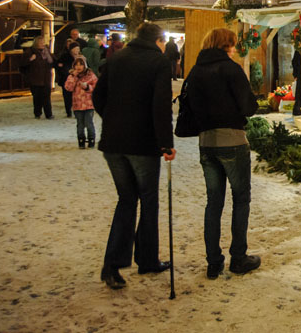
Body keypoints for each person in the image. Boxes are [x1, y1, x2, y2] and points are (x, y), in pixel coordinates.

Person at [93, 22, 175, 290]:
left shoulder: (117, 58)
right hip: (142, 143)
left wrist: (113, 119)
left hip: (113, 142)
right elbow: (161, 105)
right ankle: (147, 258)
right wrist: (166, 143)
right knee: (148, 201)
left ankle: (112, 265)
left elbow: (98, 95)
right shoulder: (158, 62)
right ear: (158, 40)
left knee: (126, 200)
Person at [185, 28, 260, 279]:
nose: (235, 48)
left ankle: (213, 261)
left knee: (213, 202)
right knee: (241, 199)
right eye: (233, 44)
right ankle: (238, 257)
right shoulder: (231, 69)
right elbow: (248, 106)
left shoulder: (195, 71)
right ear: (226, 44)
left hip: (206, 142)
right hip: (232, 140)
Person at [64, 57, 98, 148]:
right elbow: (68, 88)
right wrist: (74, 77)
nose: (78, 67)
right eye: (76, 65)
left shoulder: (91, 75)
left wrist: (87, 87)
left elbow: (96, 87)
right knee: (80, 124)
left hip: (88, 104)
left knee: (89, 123)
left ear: (85, 65)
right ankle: (81, 140)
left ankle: (91, 139)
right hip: (77, 105)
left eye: (81, 64)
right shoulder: (71, 76)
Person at [21, 36, 55, 119]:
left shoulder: (47, 52)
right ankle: (37, 113)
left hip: (46, 78)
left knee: (47, 97)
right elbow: (22, 65)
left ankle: (49, 114)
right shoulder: (30, 52)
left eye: (43, 42)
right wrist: (30, 59)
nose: (43, 44)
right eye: (40, 42)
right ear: (36, 43)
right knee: (37, 98)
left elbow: (52, 62)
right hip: (35, 79)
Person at [55, 39, 78, 118]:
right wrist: (69, 73)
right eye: (75, 49)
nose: (77, 50)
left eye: (78, 49)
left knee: (76, 96)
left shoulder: (80, 57)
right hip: (66, 79)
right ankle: (68, 111)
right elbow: (60, 66)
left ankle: (76, 111)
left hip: (77, 80)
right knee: (67, 97)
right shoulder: (65, 56)